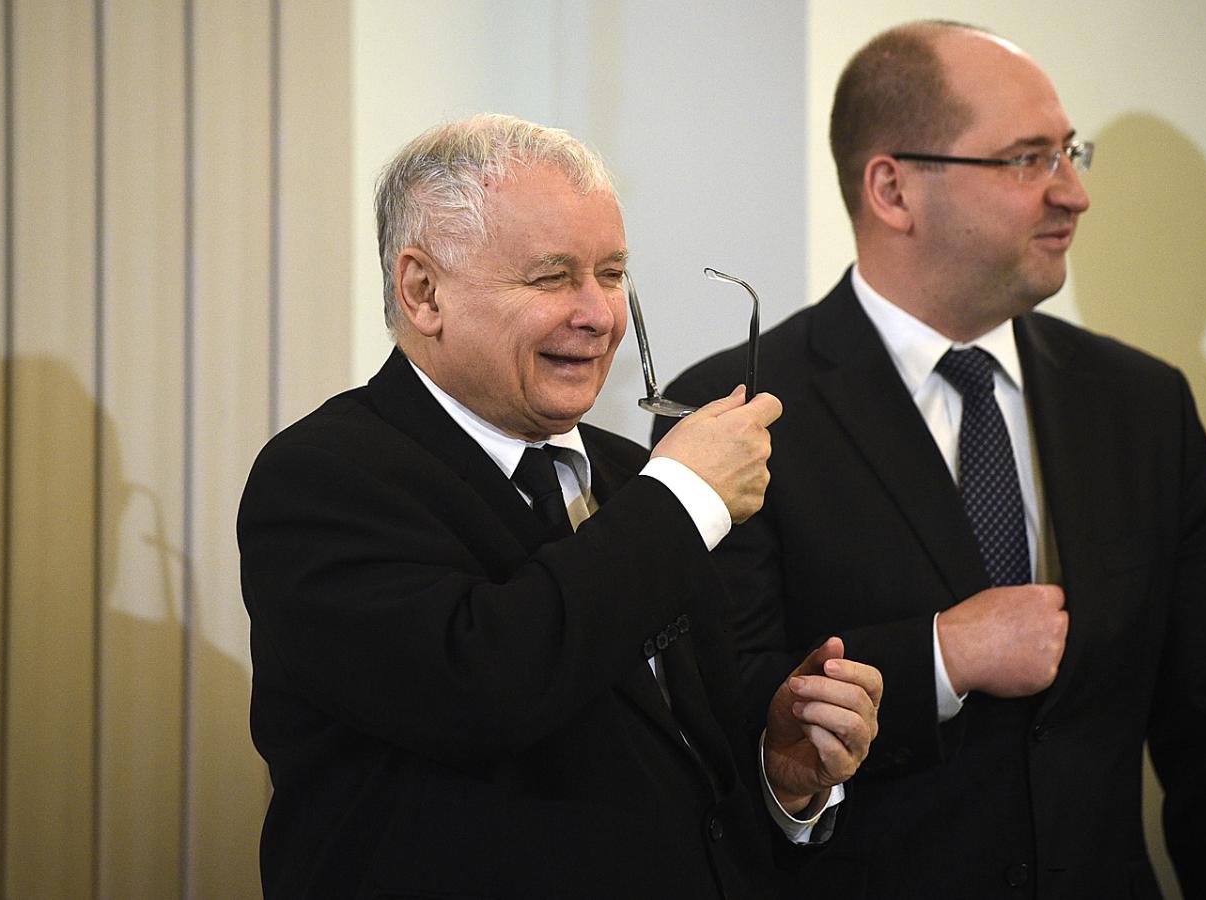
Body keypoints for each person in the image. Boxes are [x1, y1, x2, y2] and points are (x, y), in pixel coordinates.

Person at [657, 21, 1206, 900]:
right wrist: (937, 656)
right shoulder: (736, 415)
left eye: (1069, 152)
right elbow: (719, 725)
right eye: (1028, 159)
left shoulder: (1143, 406)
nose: (1074, 193)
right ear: (893, 189)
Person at [238, 114, 882, 900]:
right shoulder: (322, 478)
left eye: (611, 274)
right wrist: (684, 501)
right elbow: (483, 691)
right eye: (551, 278)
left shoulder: (633, 474)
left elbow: (669, 773)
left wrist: (779, 775)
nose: (599, 315)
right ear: (423, 291)